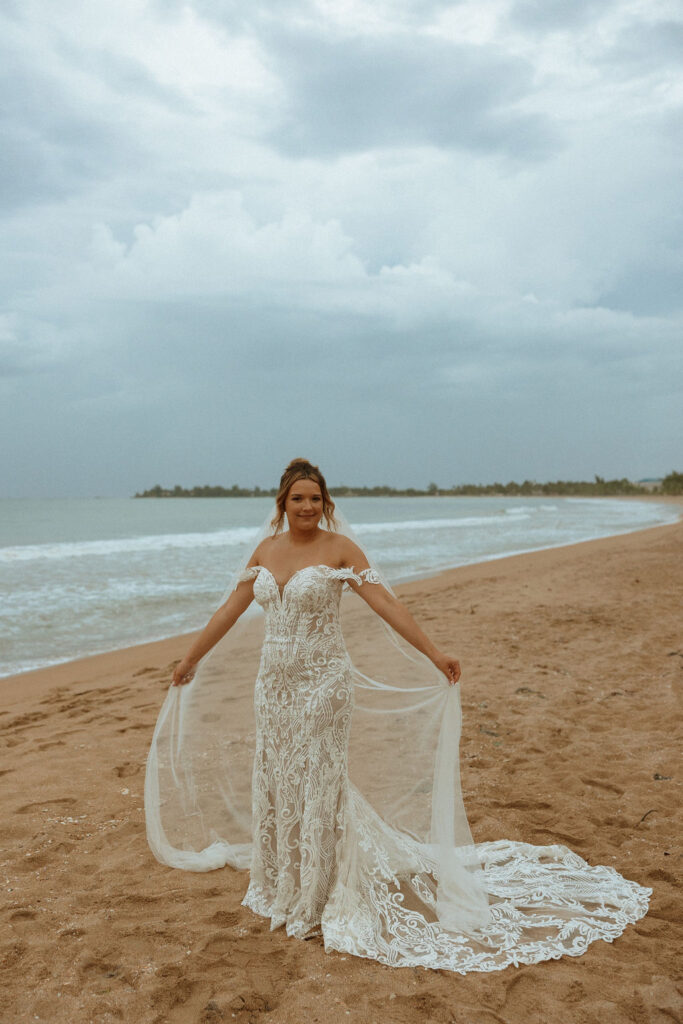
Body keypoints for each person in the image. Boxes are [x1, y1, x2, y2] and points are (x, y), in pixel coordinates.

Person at [144, 458, 651, 973]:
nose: (306, 507)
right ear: (282, 503)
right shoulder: (264, 552)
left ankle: (320, 893)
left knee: (319, 779)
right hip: (272, 687)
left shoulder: (340, 549)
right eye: (297, 498)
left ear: (326, 504)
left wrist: (434, 653)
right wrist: (190, 660)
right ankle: (284, 882)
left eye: (315, 499)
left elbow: (385, 603)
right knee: (278, 777)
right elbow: (230, 610)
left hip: (325, 683)